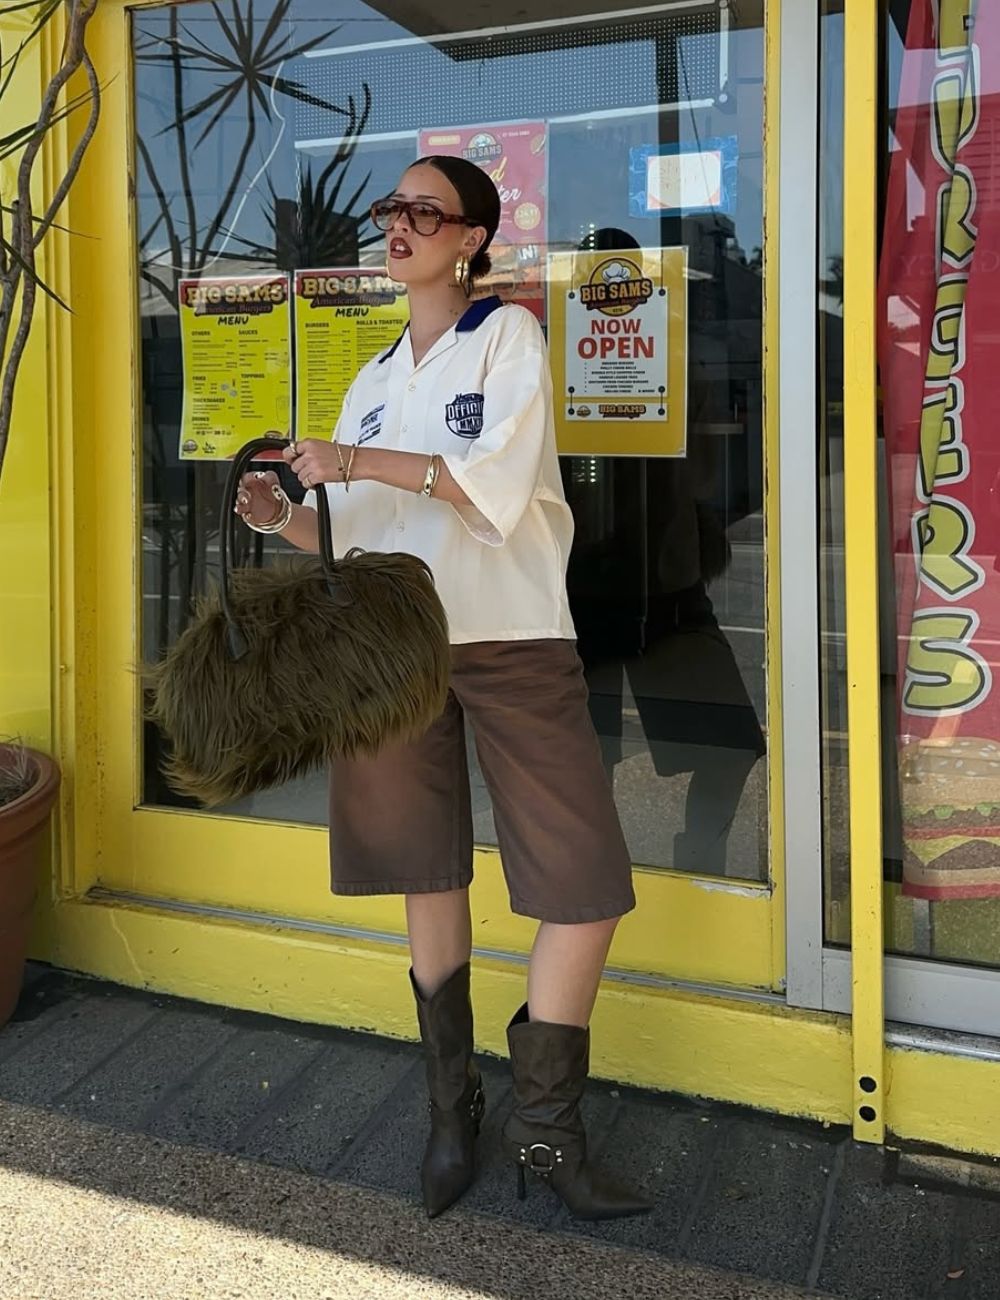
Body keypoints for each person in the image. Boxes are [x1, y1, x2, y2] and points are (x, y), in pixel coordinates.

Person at [234, 156, 650, 1223]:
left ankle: (547, 1130)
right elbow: (354, 537)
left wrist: (360, 466)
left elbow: (489, 495)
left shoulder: (507, 336)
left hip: (512, 638)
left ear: (469, 238)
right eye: (392, 208)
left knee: (583, 879)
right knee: (425, 869)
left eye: (425, 210)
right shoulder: (370, 379)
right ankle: (451, 1108)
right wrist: (281, 517)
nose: (398, 224)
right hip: (394, 651)